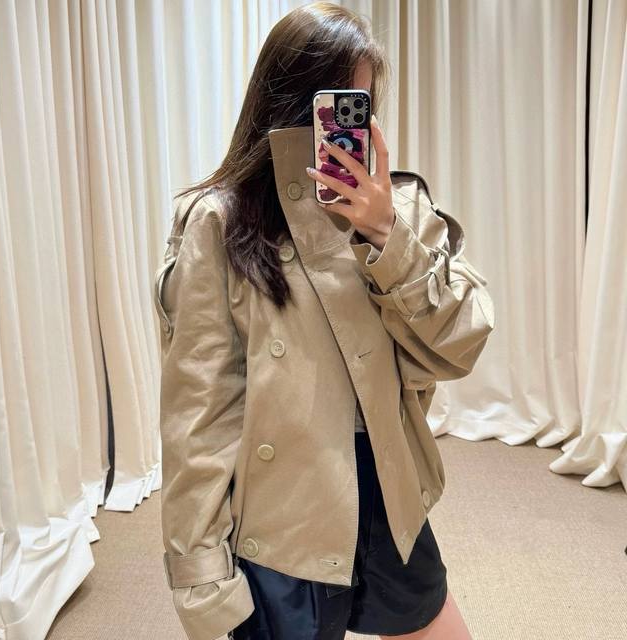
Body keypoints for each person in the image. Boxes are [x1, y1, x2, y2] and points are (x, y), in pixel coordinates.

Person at [154, 3, 495, 640]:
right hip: (283, 512)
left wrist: (386, 234)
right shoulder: (219, 221)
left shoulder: (399, 209)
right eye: (329, 103)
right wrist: (201, 573)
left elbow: (459, 344)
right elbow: (199, 410)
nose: (341, 126)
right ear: (284, 102)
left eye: (358, 106)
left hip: (386, 484)